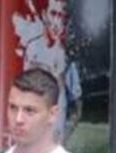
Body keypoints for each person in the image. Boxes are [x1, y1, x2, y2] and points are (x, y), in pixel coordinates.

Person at [13, 0, 81, 141]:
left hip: (53, 143)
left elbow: (77, 104)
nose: (57, 21)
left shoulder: (67, 56)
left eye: (61, 16)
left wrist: (64, 134)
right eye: (54, 14)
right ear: (44, 15)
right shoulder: (32, 49)